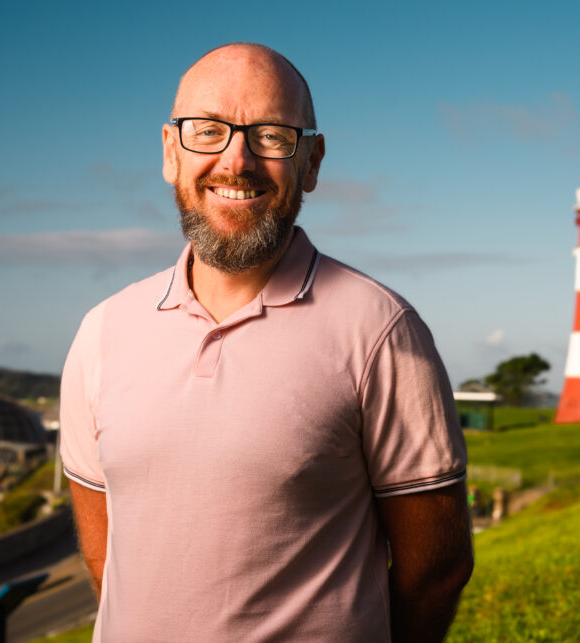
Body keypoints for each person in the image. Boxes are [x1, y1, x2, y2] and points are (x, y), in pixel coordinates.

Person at [59, 43, 473, 642]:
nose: (237, 161)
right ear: (171, 152)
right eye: (207, 131)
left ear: (312, 161)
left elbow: (436, 572)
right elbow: (110, 564)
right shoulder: (103, 330)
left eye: (272, 136)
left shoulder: (384, 332)